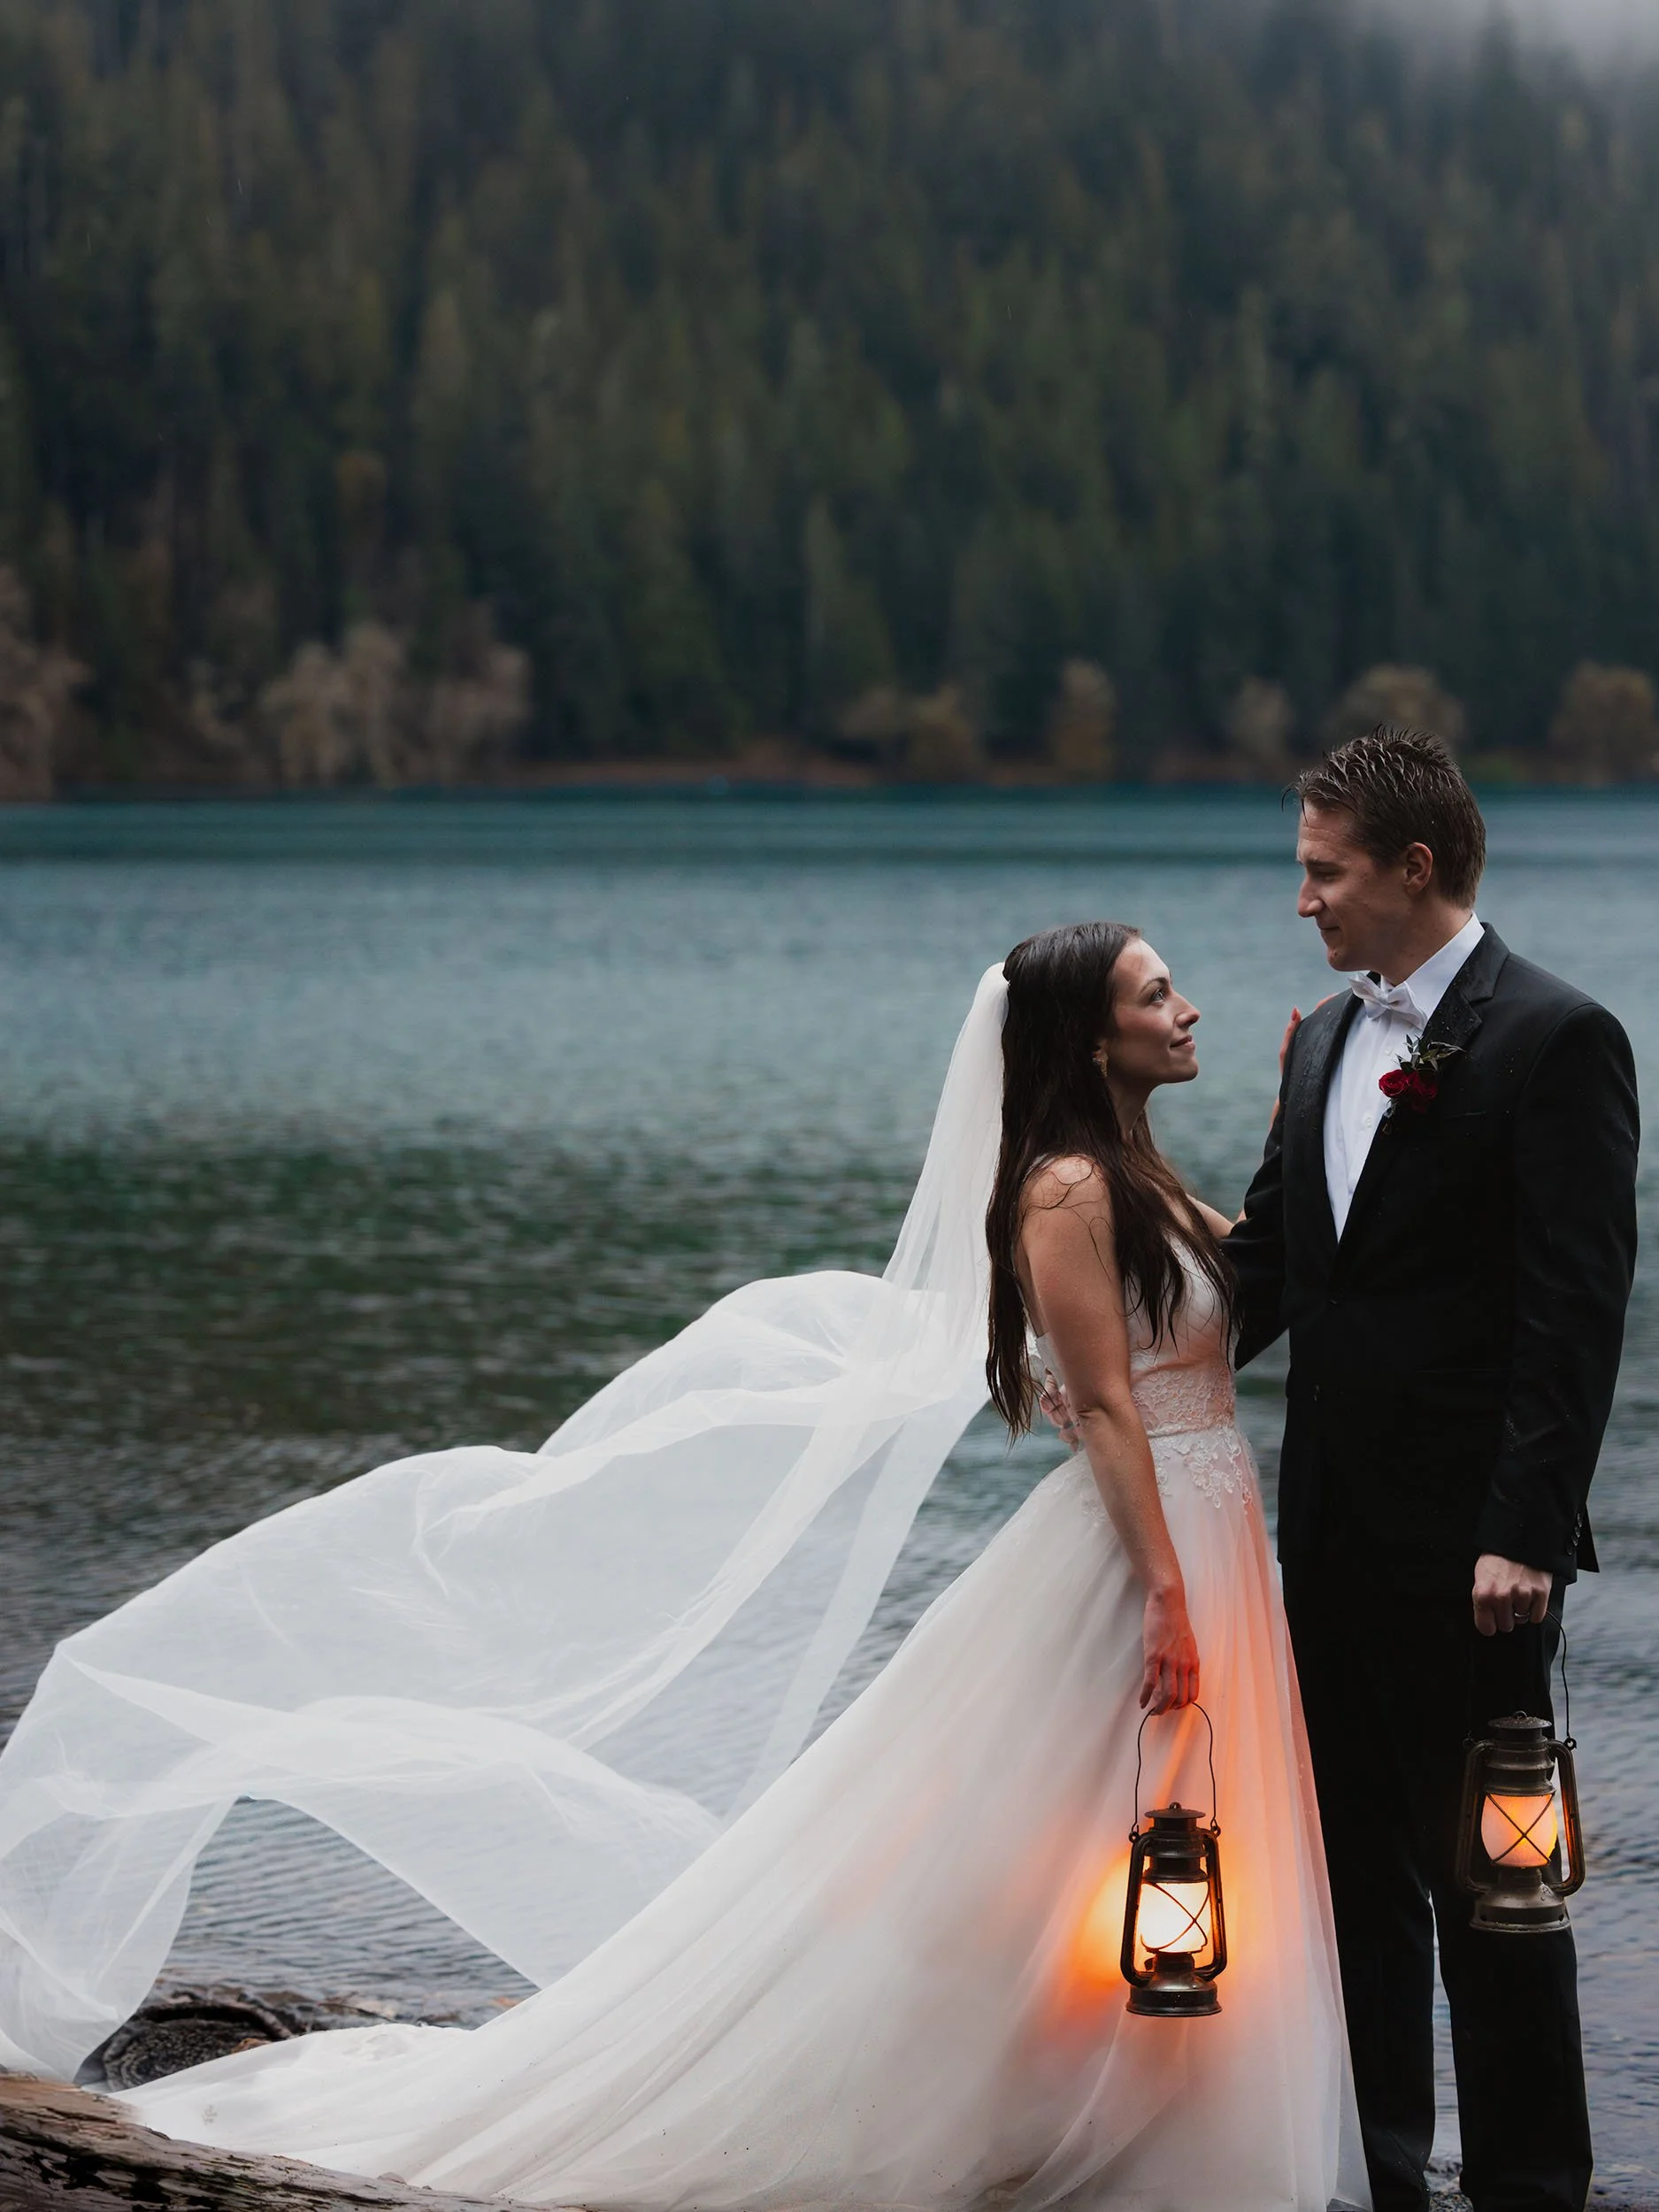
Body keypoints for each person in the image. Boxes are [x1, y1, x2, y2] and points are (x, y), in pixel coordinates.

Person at [0, 926, 1366, 2209]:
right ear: (1086, 1040)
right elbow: (1110, 1405)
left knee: (1126, 1836)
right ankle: (980, 2098)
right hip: (1136, 1550)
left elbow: (1211, 1323)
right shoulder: (1064, 1191)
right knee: (1045, 1844)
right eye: (1152, 995)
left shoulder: (1132, 1180)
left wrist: (1286, 1141)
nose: (1184, 1010)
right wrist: (1166, 1592)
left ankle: (1110, 2100)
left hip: (1204, 1524)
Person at [1227, 726, 1639, 2212]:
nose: (1303, 903)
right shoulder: (1326, 1041)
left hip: (1477, 1557)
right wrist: (1120, 1360)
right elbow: (1271, 1268)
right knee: (1347, 1881)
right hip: (1324, 1538)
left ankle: (1531, 2179)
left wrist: (1522, 1530)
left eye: (1322, 874)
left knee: (1496, 1880)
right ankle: (1378, 2161)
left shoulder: (1556, 1037)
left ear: (1412, 868)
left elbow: (1570, 1311)